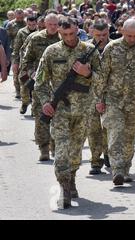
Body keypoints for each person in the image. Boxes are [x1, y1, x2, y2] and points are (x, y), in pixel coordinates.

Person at [34, 17, 101, 209]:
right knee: (62, 149)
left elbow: (103, 79)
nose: (69, 38)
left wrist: (87, 73)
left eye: (72, 33)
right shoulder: (51, 51)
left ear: (77, 30)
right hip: (60, 110)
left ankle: (72, 177)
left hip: (84, 110)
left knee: (75, 151)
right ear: (59, 33)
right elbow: (39, 82)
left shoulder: (89, 50)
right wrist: (47, 102)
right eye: (64, 34)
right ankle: (63, 186)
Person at [95, 19, 135, 186]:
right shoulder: (112, 48)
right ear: (122, 31)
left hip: (134, 102)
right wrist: (99, 99)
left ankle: (125, 169)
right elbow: (102, 76)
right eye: (128, 35)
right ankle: (117, 170)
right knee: (115, 134)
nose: (131, 39)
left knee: (129, 139)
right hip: (113, 100)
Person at [21, 13, 61, 161]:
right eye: (50, 24)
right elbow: (27, 60)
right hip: (41, 84)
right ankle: (44, 148)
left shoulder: (63, 39)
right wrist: (32, 73)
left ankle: (56, 147)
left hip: (58, 85)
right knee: (41, 116)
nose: (53, 27)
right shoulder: (36, 38)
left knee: (58, 116)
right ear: (44, 23)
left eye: (56, 24)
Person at [86, 19, 112, 174]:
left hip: (112, 94)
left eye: (104, 34)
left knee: (110, 127)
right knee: (93, 129)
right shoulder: (85, 49)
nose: (101, 38)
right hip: (91, 94)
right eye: (97, 35)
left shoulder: (115, 47)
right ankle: (96, 161)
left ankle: (109, 154)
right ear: (91, 33)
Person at [12, 16, 38, 114]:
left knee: (36, 87)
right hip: (25, 63)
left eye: (33, 24)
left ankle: (34, 108)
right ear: (27, 23)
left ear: (36, 23)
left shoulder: (41, 33)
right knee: (24, 84)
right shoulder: (21, 32)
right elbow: (17, 48)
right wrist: (15, 62)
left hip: (37, 64)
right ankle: (25, 102)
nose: (32, 26)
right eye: (29, 24)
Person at [6, 9, 26, 98]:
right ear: (15, 16)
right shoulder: (10, 24)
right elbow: (7, 38)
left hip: (26, 50)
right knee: (16, 71)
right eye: (18, 17)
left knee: (25, 71)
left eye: (22, 17)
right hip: (15, 50)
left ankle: (25, 89)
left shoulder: (26, 24)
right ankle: (18, 91)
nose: (20, 19)